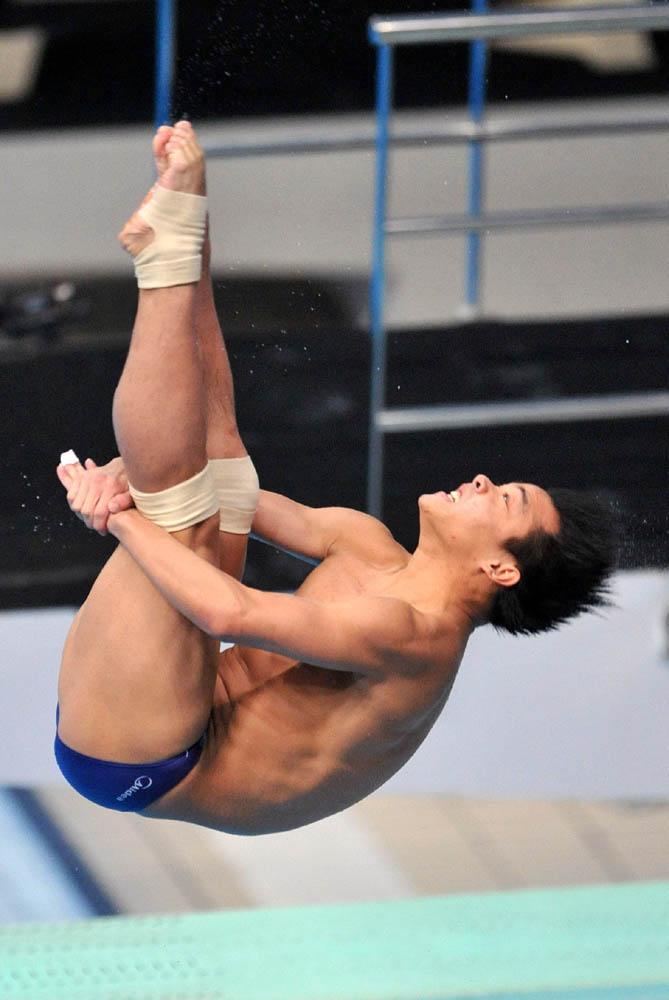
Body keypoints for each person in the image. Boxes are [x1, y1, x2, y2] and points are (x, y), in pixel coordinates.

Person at [55, 121, 618, 834]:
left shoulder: (415, 638)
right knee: (225, 477)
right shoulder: (368, 546)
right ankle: (185, 230)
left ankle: (163, 260)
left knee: (181, 518)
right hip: (179, 693)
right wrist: (128, 478)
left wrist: (118, 515)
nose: (482, 479)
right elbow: (220, 475)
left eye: (504, 499)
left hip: (147, 761)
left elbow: (229, 614)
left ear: (500, 569)